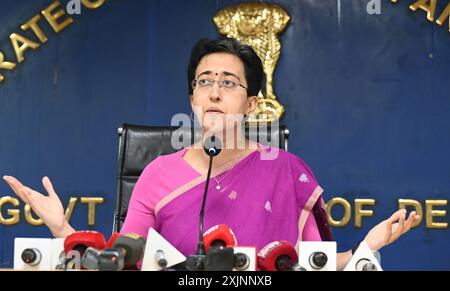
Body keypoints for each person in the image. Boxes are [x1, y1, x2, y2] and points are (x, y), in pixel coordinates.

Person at [3, 37, 419, 271]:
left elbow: (315, 266)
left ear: (252, 104)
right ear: (192, 99)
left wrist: (366, 246)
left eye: (228, 83)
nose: (215, 91)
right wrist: (62, 230)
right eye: (204, 82)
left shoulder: (288, 171)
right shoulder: (157, 174)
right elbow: (121, 260)